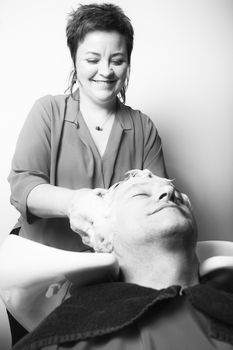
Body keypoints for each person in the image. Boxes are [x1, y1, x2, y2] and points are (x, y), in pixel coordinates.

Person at [7, 3, 167, 343]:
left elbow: (156, 209)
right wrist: (75, 202)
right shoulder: (48, 111)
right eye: (93, 59)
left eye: (117, 60)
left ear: (128, 62)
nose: (106, 71)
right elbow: (23, 185)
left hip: (110, 288)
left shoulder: (143, 127)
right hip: (38, 281)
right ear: (75, 60)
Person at [7, 170, 233, 350]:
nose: (167, 191)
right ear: (102, 237)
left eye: (177, 193)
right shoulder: (60, 342)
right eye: (139, 194)